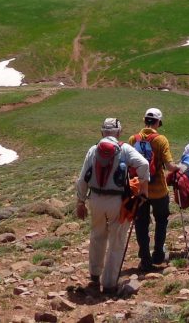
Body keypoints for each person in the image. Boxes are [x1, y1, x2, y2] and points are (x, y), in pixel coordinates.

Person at [75, 118, 149, 294]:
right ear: (118, 133)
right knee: (116, 240)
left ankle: (94, 275)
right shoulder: (123, 149)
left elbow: (83, 177)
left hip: (95, 200)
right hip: (117, 201)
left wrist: (80, 201)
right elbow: (144, 164)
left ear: (102, 133)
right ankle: (109, 283)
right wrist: (143, 190)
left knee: (97, 236)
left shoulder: (93, 150)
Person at [130, 107, 176, 271]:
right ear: (158, 122)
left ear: (144, 121)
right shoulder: (160, 140)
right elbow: (170, 166)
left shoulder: (133, 139)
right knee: (161, 220)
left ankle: (144, 257)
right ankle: (158, 254)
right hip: (158, 189)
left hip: (139, 189)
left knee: (141, 222)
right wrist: (180, 168)